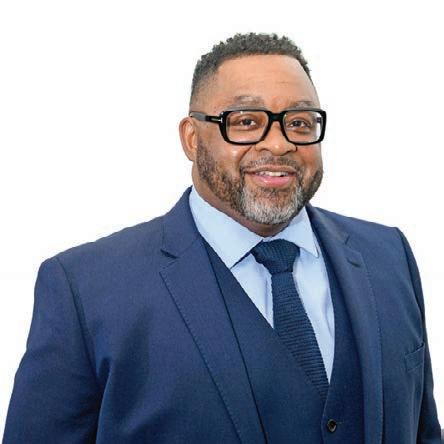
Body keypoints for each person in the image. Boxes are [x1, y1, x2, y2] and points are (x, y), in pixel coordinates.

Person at [3, 32, 442, 444]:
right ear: (192, 139)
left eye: (299, 122)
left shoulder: (389, 256)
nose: (279, 144)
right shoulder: (85, 290)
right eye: (246, 121)